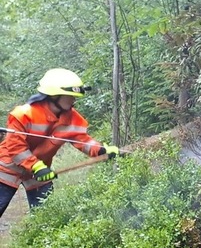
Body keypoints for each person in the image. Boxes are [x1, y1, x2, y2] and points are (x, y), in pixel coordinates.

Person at [0, 68, 119, 217]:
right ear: (54, 95)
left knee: (45, 217)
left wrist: (101, 150)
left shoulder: (72, 118)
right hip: (7, 169)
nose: (74, 100)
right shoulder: (23, 114)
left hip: (41, 172)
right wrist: (35, 166)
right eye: (70, 96)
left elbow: (82, 140)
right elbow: (16, 147)